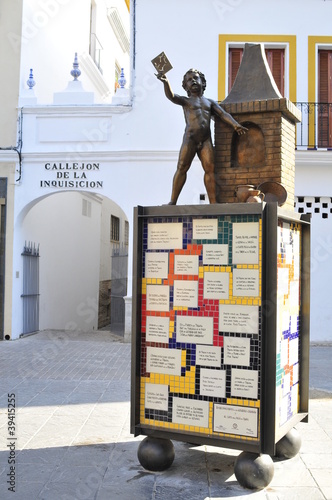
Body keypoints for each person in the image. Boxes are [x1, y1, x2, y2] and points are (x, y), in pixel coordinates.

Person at [156, 69, 247, 204]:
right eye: (189, 79)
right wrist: (166, 82)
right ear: (186, 86)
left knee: (210, 170)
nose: (193, 80)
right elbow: (171, 96)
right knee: (182, 168)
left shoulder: (209, 103)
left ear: (202, 82)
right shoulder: (186, 101)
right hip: (190, 139)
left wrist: (235, 125)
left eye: (196, 78)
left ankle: (213, 202)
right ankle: (173, 201)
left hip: (205, 141)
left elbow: (222, 114)